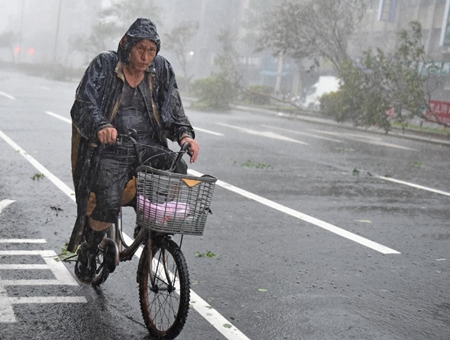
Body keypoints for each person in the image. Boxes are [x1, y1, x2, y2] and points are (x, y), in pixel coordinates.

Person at [70, 18, 199, 284]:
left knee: (177, 171)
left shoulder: (161, 69)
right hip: (111, 147)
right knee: (107, 198)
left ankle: (150, 226)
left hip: (148, 145)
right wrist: (101, 125)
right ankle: (90, 247)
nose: (145, 56)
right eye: (141, 48)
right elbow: (84, 103)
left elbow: (172, 109)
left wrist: (185, 135)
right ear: (126, 45)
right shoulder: (104, 65)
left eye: (151, 50)